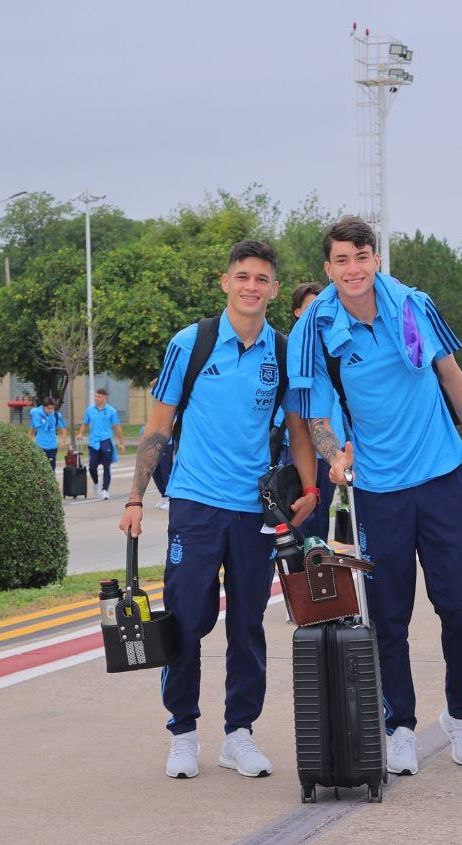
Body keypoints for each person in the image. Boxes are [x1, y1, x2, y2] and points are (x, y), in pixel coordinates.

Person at [288, 216, 462, 776]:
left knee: (459, 607)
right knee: (389, 614)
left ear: (375, 260)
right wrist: (334, 452)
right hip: (379, 491)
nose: (352, 269)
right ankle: (399, 724)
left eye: (361, 257)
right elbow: (315, 412)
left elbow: (452, 376)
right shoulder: (317, 327)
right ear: (327, 268)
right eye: (341, 260)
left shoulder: (413, 305)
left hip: (439, 476)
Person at [119, 239, 320, 781]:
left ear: (274, 290)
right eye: (243, 276)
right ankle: (183, 732)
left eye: (262, 279)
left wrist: (309, 487)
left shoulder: (282, 351)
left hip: (253, 510)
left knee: (248, 623)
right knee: (186, 620)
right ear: (226, 282)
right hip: (195, 504)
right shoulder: (192, 343)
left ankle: (239, 734)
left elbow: (298, 428)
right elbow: (158, 427)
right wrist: (137, 497)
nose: (251, 286)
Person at [282, 281, 343, 541]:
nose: (318, 313)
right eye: (310, 308)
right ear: (297, 312)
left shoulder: (336, 348)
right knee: (295, 522)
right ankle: (297, 576)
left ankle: (318, 575)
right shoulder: (288, 352)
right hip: (294, 451)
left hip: (330, 453)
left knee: (318, 525)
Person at [79, 388, 125, 500]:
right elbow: (85, 423)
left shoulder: (111, 411)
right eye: (96, 396)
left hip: (106, 440)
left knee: (106, 466)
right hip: (93, 441)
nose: (96, 398)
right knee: (92, 466)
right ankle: (96, 482)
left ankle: (105, 490)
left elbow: (117, 427)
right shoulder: (90, 410)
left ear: (104, 398)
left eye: (99, 397)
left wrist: (121, 442)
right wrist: (80, 433)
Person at [141, 379, 174, 511]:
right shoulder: (159, 404)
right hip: (154, 442)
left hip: (167, 442)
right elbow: (152, 382)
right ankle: (163, 494)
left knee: (166, 471)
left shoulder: (172, 402)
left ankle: (169, 497)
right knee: (154, 470)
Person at [29, 397, 68, 470]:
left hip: (52, 447)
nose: (50, 410)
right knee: (40, 470)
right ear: (44, 407)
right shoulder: (36, 414)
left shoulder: (56, 415)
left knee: (51, 470)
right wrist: (27, 441)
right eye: (48, 408)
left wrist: (63, 441)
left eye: (52, 408)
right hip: (39, 447)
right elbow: (32, 428)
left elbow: (64, 429)